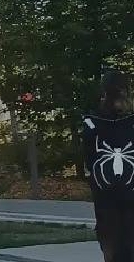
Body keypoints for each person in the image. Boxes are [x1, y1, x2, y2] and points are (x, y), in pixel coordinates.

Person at [85, 70, 134, 262]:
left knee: (110, 242)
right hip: (131, 192)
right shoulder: (131, 122)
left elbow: (89, 159)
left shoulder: (92, 122)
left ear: (104, 92)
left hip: (105, 196)